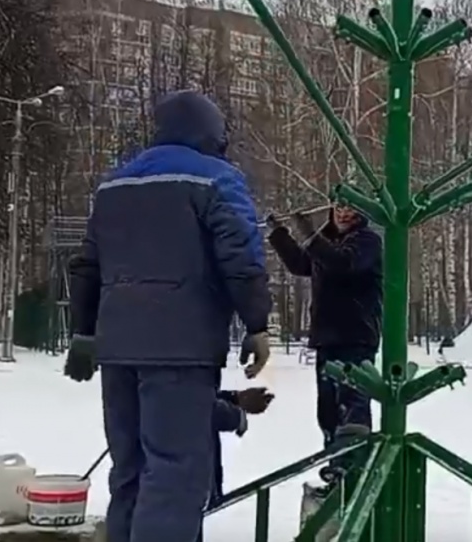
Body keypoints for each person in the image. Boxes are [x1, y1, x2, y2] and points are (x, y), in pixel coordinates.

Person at [64, 89, 273, 542]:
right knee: (174, 473)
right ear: (212, 134)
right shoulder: (217, 179)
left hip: (117, 348)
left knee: (130, 470)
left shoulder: (113, 184)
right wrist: (256, 323)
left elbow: (87, 265)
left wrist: (83, 333)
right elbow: (240, 256)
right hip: (181, 347)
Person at [267, 203, 382, 448]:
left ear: (361, 214)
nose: (343, 214)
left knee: (353, 405)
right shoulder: (326, 243)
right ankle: (333, 457)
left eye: (350, 210)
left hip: (356, 335)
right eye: (338, 209)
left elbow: (342, 263)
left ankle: (354, 461)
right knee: (328, 409)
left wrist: (311, 236)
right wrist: (280, 235)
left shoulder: (367, 241)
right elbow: (301, 265)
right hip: (326, 336)